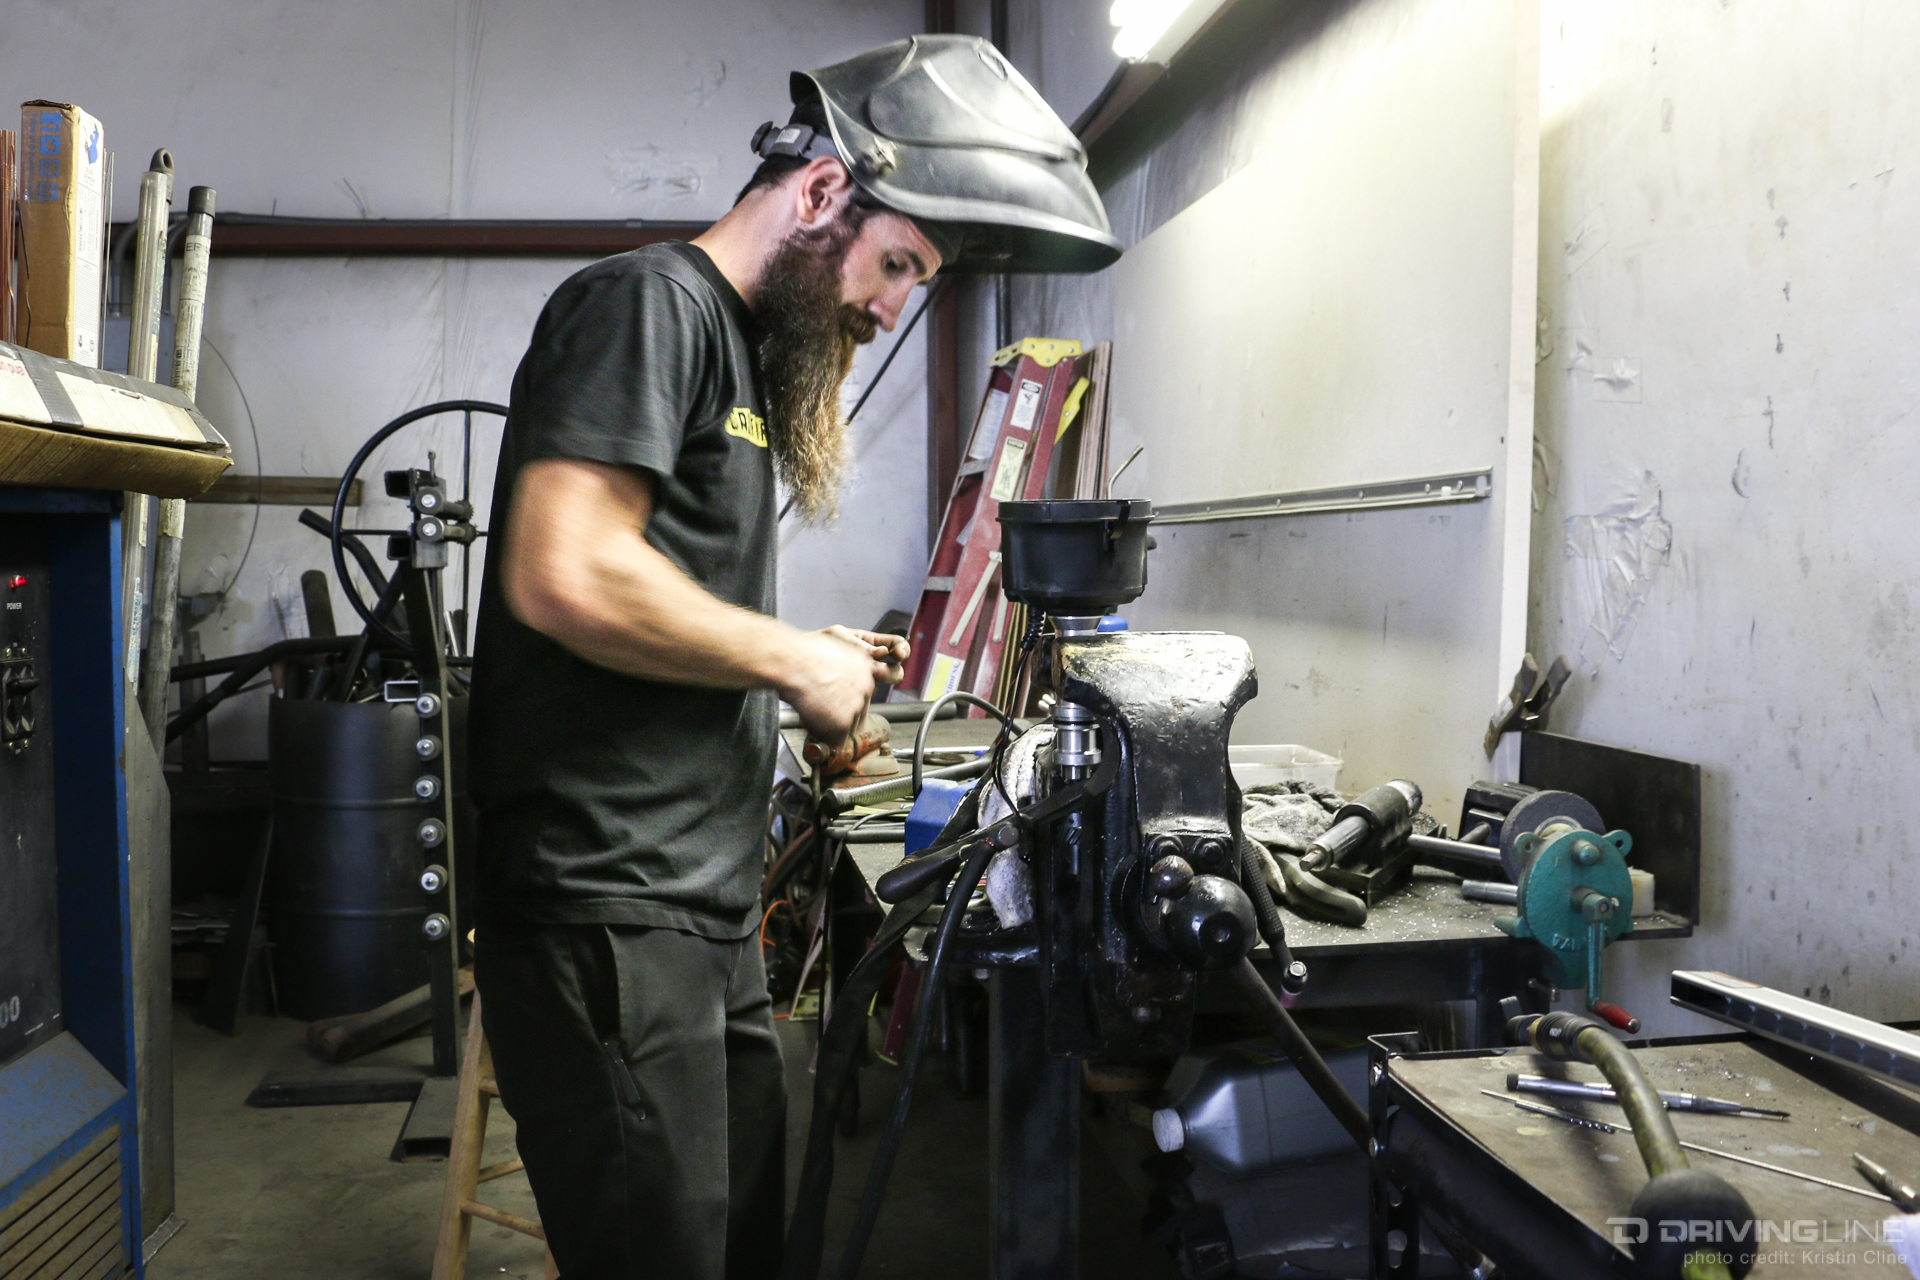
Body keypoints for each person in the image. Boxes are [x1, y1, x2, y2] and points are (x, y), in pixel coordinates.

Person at [467, 34, 1120, 1280]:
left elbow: (655, 594)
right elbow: (564, 568)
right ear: (822, 193)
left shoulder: (740, 358)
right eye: (895, 264)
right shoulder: (647, 307)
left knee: (746, 1247)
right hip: (605, 904)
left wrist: (795, 654)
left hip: (697, 908)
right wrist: (786, 659)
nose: (890, 305)